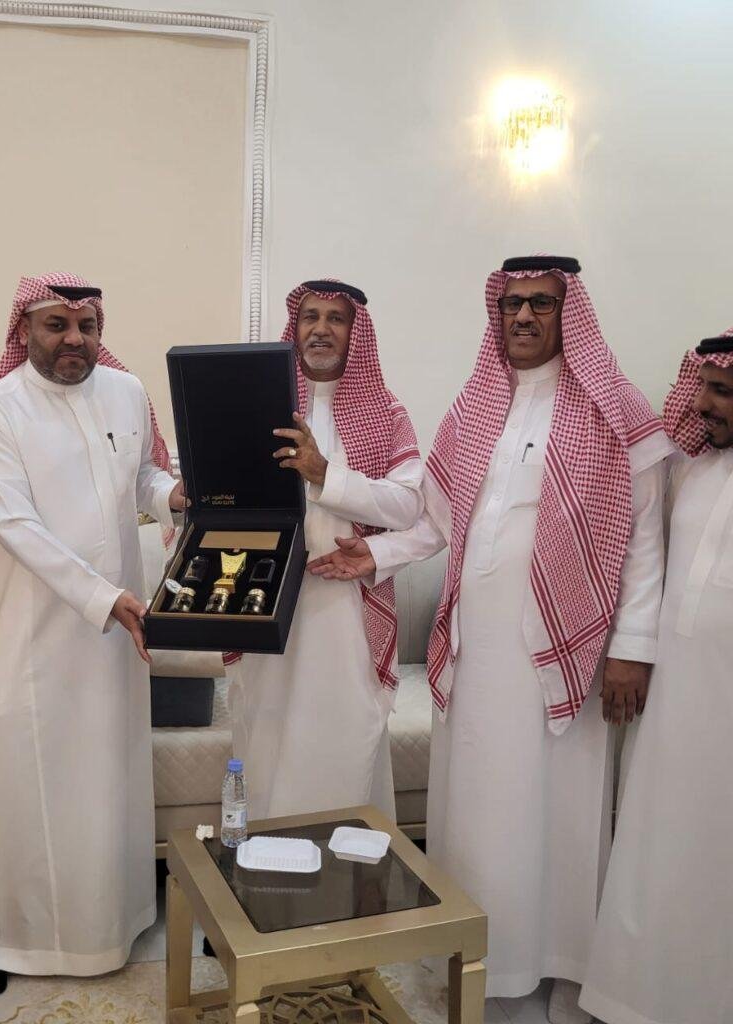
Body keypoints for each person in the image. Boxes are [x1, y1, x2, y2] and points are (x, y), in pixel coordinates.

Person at [308, 257, 672, 1023]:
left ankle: (554, 963)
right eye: (512, 305)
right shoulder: (476, 408)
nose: (525, 317)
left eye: (541, 304)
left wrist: (633, 646)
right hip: (477, 650)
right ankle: (474, 956)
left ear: (569, 312)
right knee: (476, 810)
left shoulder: (614, 409)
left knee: (554, 814)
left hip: (565, 653)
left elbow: (643, 539)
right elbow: (436, 523)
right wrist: (373, 555)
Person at [0, 272, 185, 995]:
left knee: (105, 782)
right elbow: (14, 525)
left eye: (87, 326)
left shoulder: (126, 391)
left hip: (114, 639)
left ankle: (108, 923)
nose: (74, 339)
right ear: (24, 330)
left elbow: (143, 478)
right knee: (19, 788)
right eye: (56, 325)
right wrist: (104, 597)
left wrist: (176, 496)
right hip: (29, 640)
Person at [579, 329, 733, 1024]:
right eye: (702, 387)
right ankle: (637, 1002)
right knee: (657, 848)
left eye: (721, 392)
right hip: (675, 701)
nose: (702, 405)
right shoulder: (691, 468)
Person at [226, 278, 422, 820]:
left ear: (356, 332)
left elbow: (408, 506)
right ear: (295, 327)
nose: (320, 328)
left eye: (336, 318)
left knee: (344, 741)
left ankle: (348, 866)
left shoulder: (385, 413)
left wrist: (324, 474)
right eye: (310, 316)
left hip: (346, 609)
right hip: (266, 602)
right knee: (267, 741)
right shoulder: (260, 408)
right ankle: (265, 863)